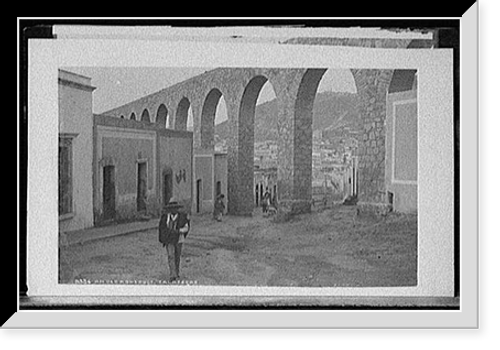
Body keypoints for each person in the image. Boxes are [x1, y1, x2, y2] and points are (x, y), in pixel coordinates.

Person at [158, 199, 190, 282]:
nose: (173, 210)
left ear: (177, 209)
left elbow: (186, 228)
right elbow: (161, 228)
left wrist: (179, 231)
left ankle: (177, 272)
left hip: (179, 239)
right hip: (169, 239)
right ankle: (173, 274)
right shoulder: (165, 217)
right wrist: (165, 236)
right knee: (170, 256)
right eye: (171, 208)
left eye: (175, 208)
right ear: (169, 209)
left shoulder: (182, 217)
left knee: (177, 256)